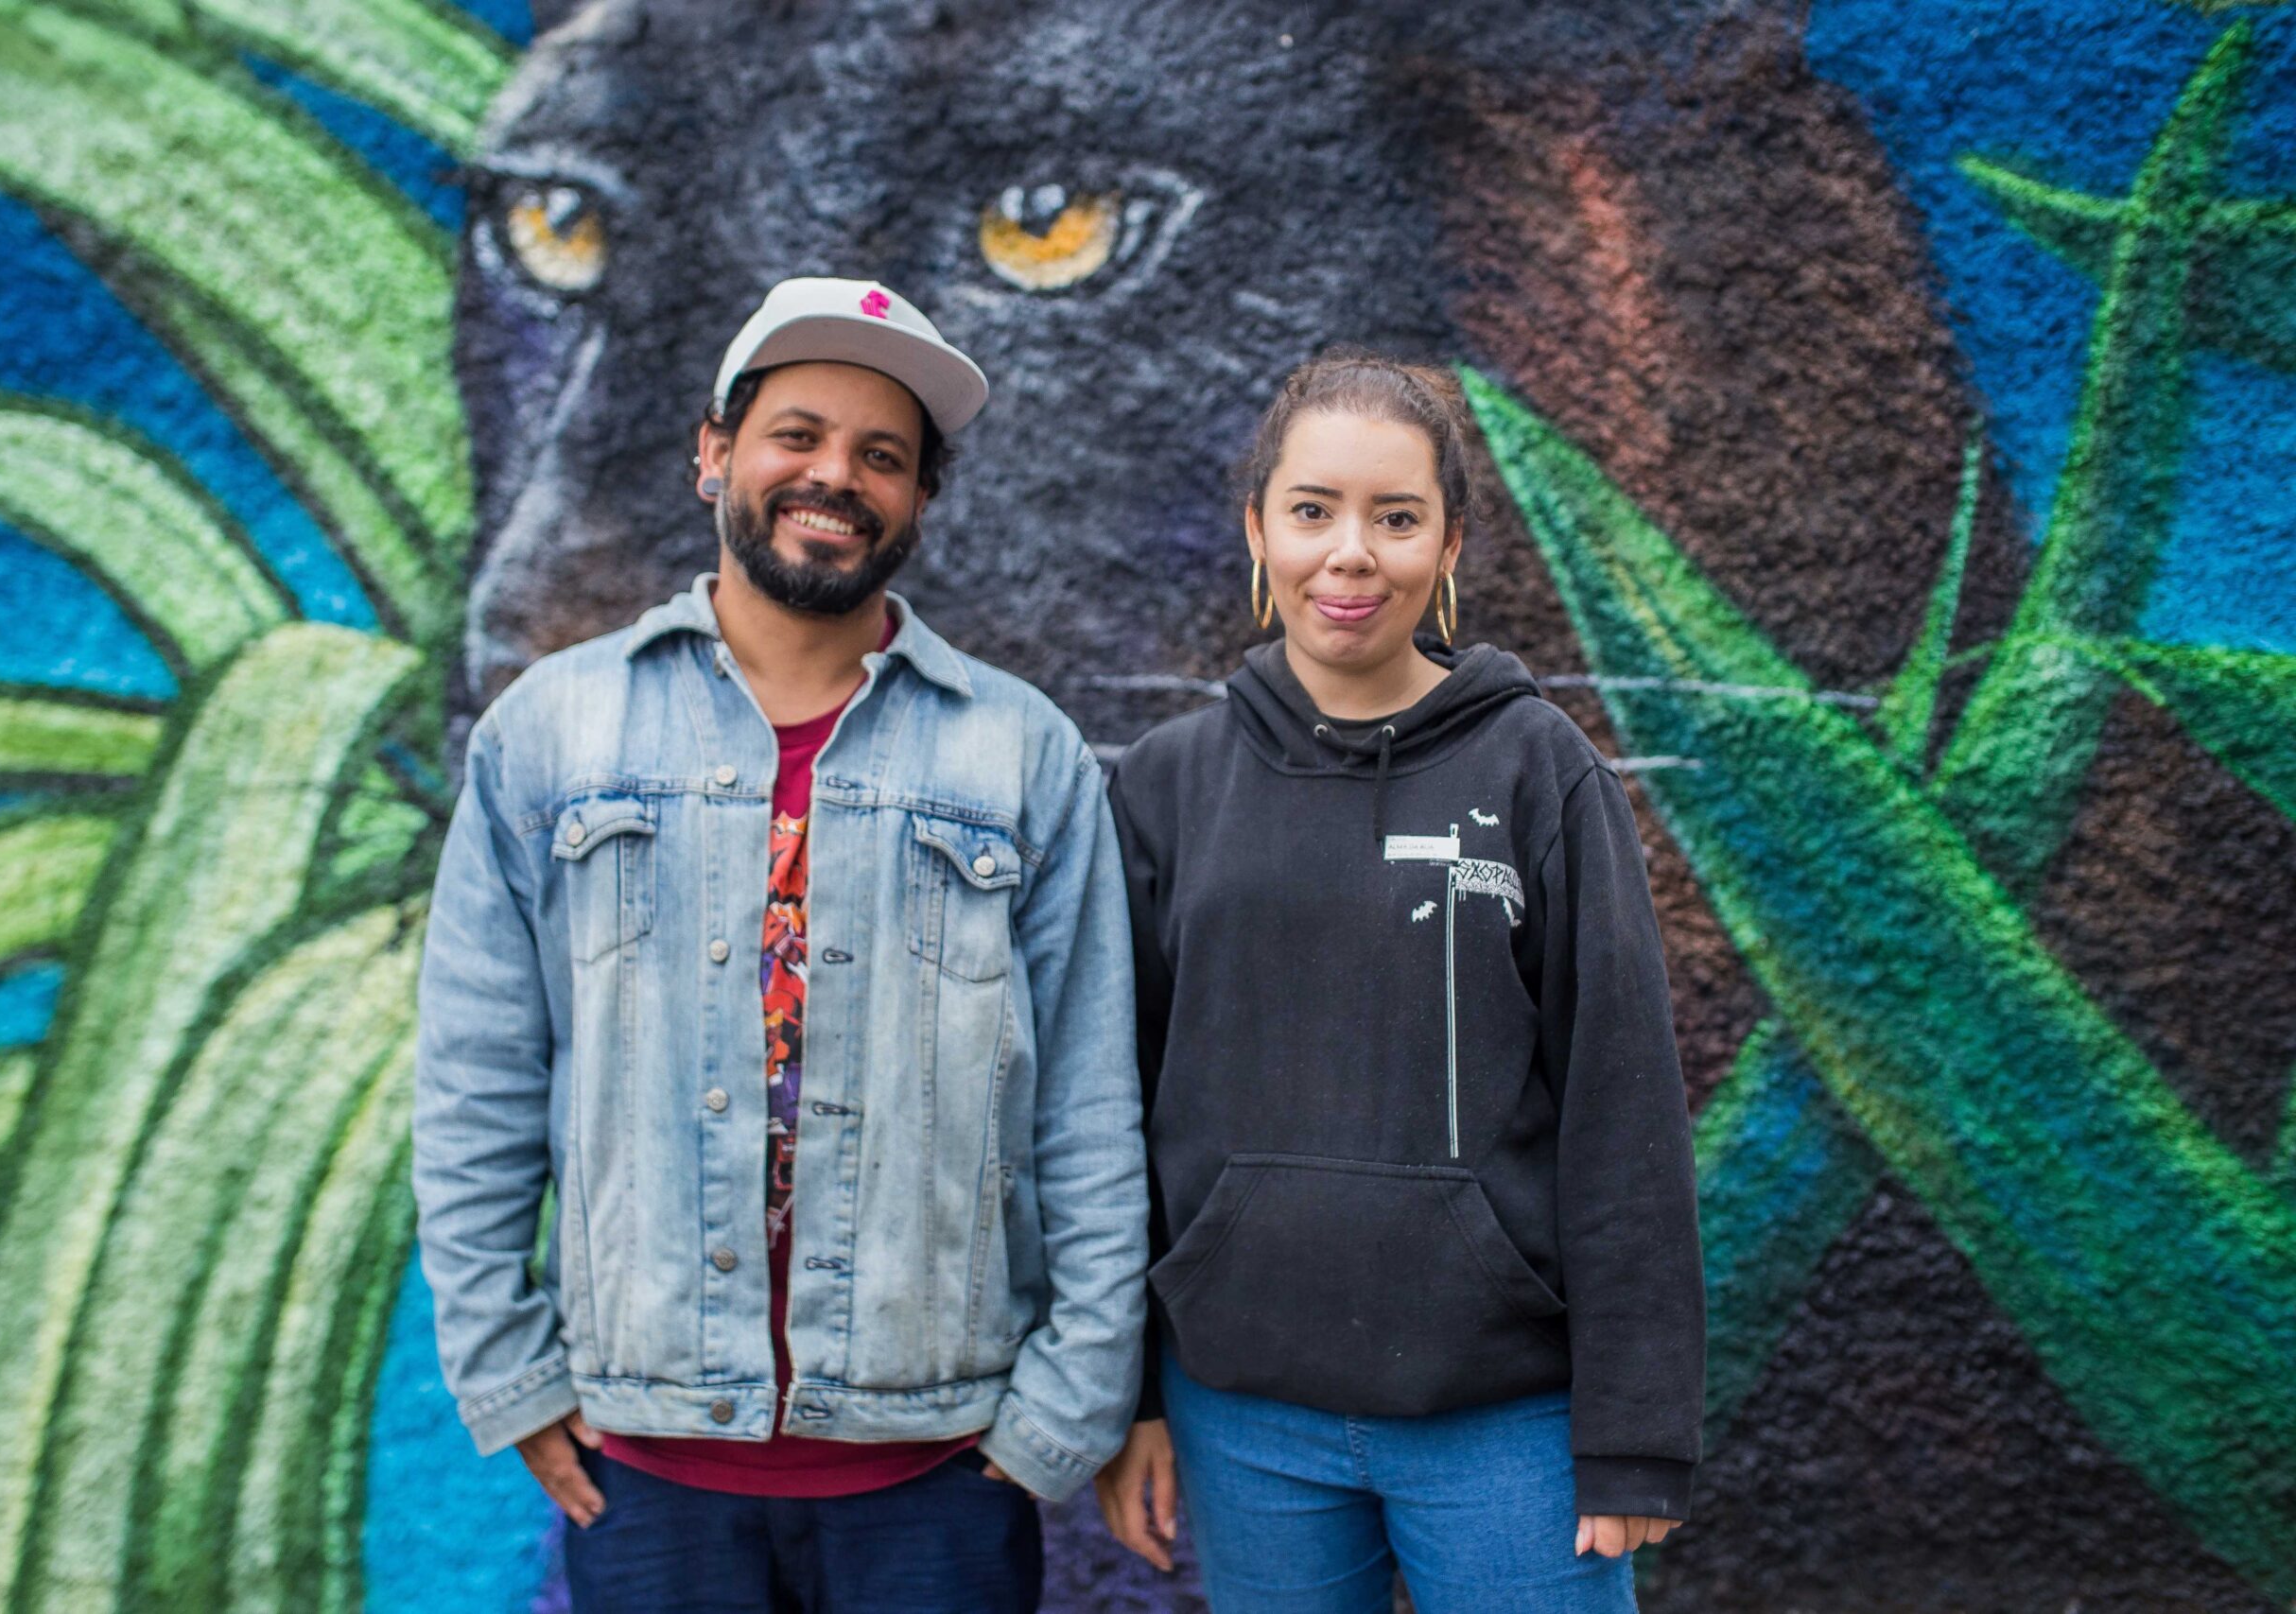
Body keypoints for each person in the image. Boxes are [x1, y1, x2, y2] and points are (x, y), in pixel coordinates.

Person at [413, 277, 1148, 1614]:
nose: (835, 476)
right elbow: (475, 1086)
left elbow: (1092, 1108)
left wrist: (1065, 1405)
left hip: (937, 1486)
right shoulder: (551, 732)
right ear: (714, 455)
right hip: (647, 1480)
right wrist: (505, 1375)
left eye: (884, 455)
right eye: (796, 435)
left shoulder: (1022, 753)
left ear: (923, 497)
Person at [1094, 351, 1704, 1612]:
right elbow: (1113, 1110)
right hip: (1245, 1415)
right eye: (1313, 510)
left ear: (1451, 542)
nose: (1350, 554)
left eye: (1396, 516)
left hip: (1503, 1422)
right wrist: (1135, 1394)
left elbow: (1623, 1109)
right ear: (1257, 527)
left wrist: (1635, 1428)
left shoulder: (1541, 771)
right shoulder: (1166, 785)